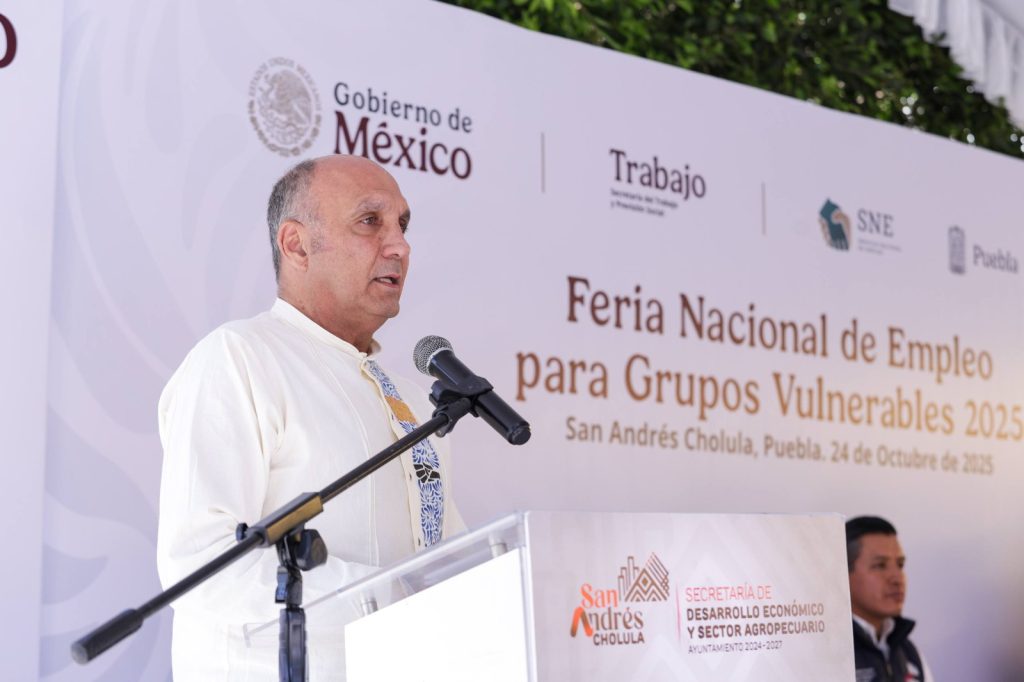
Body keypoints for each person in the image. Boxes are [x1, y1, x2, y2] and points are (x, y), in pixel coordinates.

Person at [156, 155, 464, 680]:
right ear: (296, 244)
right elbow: (203, 564)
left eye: (402, 225)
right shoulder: (238, 358)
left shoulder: (414, 403)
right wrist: (391, 600)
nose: (400, 246)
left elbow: (453, 560)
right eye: (370, 221)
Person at [846, 516, 934, 682]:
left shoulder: (909, 652)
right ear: (844, 574)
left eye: (900, 565)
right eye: (880, 565)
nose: (897, 578)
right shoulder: (829, 653)